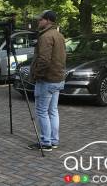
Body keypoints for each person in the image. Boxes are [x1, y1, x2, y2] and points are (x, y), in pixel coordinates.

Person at [28, 10, 66, 152]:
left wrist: (37, 75)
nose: (38, 22)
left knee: (42, 111)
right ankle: (54, 141)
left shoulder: (45, 37)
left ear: (48, 20)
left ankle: (45, 142)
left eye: (40, 20)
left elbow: (44, 60)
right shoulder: (59, 35)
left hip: (47, 80)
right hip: (58, 78)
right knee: (53, 111)